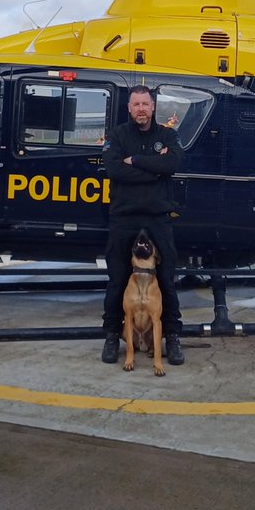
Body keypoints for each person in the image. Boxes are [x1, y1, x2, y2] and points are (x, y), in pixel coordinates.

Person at [100, 85, 185, 366]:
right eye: (135, 104)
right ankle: (112, 335)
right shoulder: (116, 136)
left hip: (157, 218)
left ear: (152, 107)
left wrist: (135, 161)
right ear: (129, 108)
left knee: (167, 280)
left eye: (145, 104)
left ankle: (172, 336)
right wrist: (153, 172)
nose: (140, 109)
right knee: (117, 280)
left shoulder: (167, 135)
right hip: (124, 217)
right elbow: (114, 170)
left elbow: (171, 164)